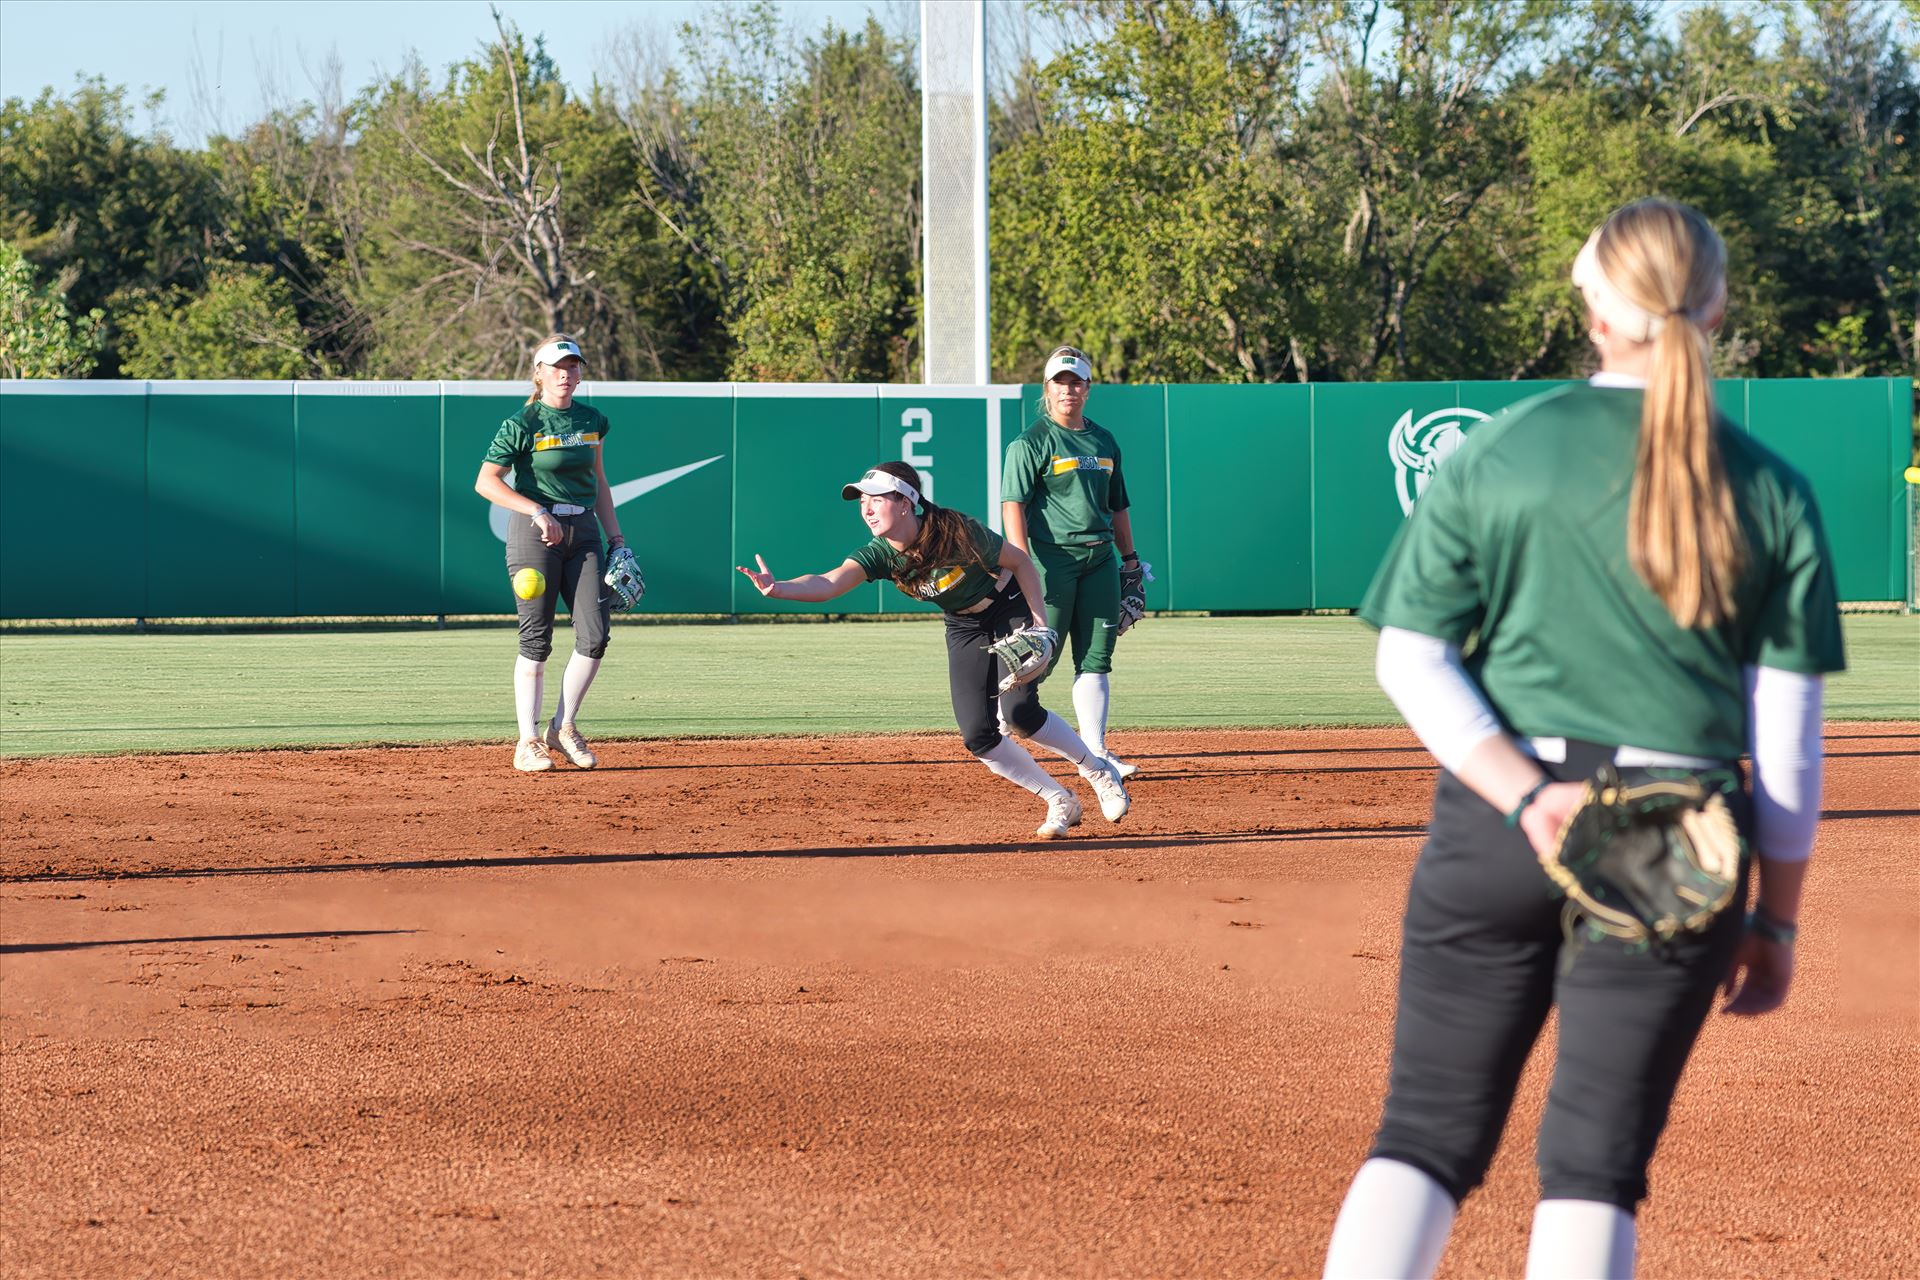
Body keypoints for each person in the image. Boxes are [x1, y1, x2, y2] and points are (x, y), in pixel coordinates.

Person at [1322, 199, 1845, 1280]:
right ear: (1716, 305)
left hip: (1499, 828)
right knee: (1593, 1171)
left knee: (1421, 1138)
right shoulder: (1770, 487)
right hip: (1677, 843)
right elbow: (1785, 743)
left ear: (1595, 307)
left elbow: (1409, 658)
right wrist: (1776, 923)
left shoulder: (1503, 449)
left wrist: (1529, 796)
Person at [736, 461, 1130, 838]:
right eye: (861, 502)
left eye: (876, 498)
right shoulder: (881, 552)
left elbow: (1021, 562)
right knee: (978, 735)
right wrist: (780, 588)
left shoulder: (955, 530)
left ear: (906, 502)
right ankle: (1059, 799)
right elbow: (829, 582)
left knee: (1020, 712)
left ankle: (1096, 771)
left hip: (1007, 603)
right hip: (963, 623)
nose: (867, 509)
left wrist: (1041, 625)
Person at [474, 333, 628, 773]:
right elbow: (487, 481)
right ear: (539, 373)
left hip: (583, 530)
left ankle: (562, 728)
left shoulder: (593, 419)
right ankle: (527, 741)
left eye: (574, 365)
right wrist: (536, 510)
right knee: (536, 639)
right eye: (557, 366)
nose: (566, 373)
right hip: (534, 532)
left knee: (595, 635)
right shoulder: (522, 422)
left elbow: (599, 481)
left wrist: (616, 538)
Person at [1001, 345, 1147, 780]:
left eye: (1077, 381)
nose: (1069, 389)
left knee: (1097, 657)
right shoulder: (1031, 441)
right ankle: (1001, 727)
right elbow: (1014, 504)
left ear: (1088, 387)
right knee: (1039, 654)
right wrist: (1020, 561)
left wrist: (1131, 561)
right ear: (1048, 388)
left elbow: (1118, 506)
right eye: (1060, 382)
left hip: (1100, 560)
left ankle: (1097, 751)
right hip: (1053, 561)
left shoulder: (1104, 441)